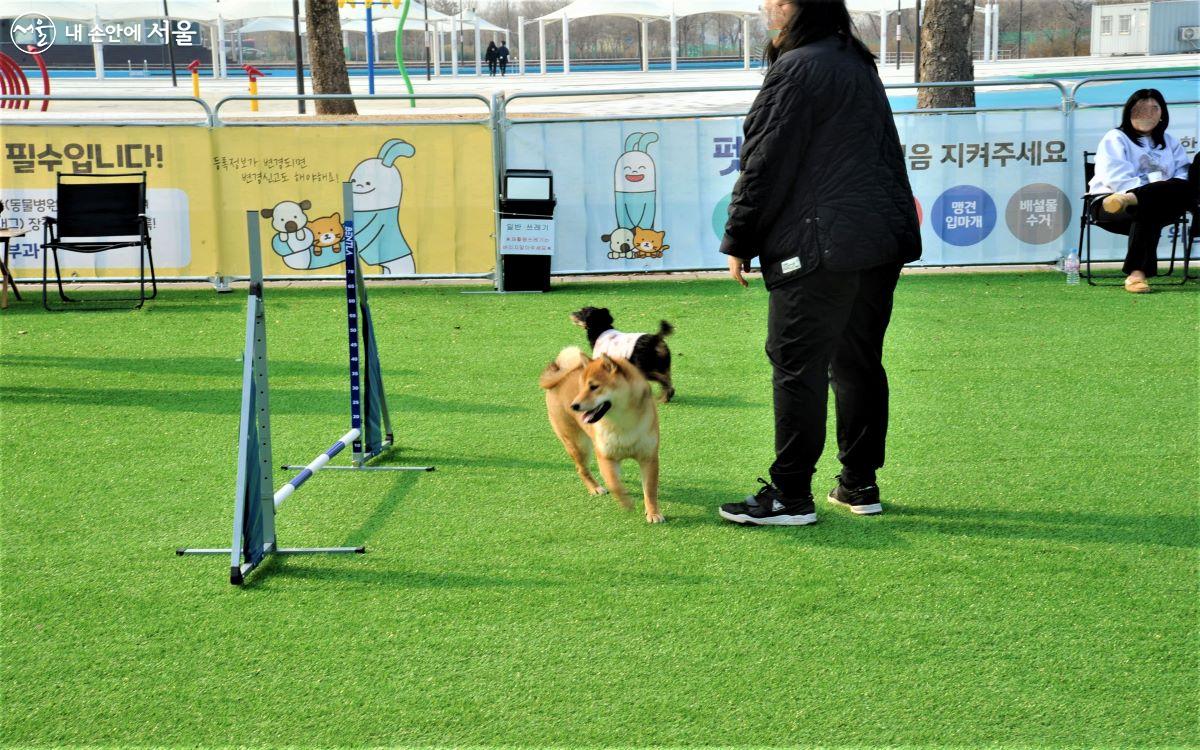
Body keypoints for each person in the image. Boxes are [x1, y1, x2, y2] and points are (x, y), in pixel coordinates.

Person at [716, 0, 920, 527]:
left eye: (779, 0)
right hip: (877, 240)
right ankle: (859, 484)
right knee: (857, 362)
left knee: (797, 366)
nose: (767, 8)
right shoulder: (857, 61)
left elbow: (764, 161)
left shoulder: (799, 67)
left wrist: (739, 237)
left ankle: (789, 496)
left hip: (820, 244)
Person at [1087, 89, 1198, 293]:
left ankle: (1134, 199)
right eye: (1141, 109)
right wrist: (1157, 191)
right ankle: (1137, 273)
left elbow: (1183, 174)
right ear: (1129, 112)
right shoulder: (1116, 138)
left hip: (1149, 202)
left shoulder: (1170, 142)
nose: (1148, 114)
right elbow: (1116, 178)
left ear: (1162, 113)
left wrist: (1155, 191)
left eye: (1154, 109)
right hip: (1108, 204)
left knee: (1186, 184)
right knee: (1149, 208)